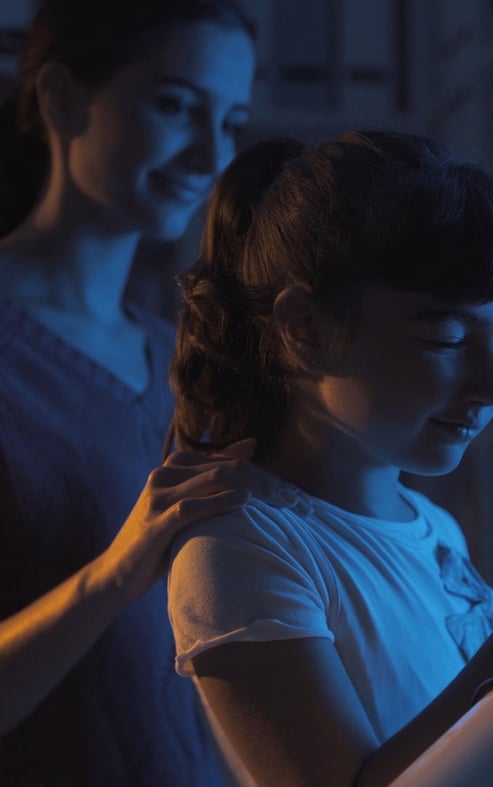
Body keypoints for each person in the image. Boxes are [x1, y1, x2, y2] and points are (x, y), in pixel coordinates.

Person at [166, 131, 493, 787]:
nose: (488, 387)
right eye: (447, 339)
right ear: (306, 329)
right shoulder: (241, 547)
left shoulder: (431, 526)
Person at [0, 1, 258, 784]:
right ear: (61, 98)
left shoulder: (184, 353)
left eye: (232, 121)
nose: (209, 154)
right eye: (175, 105)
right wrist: (112, 575)